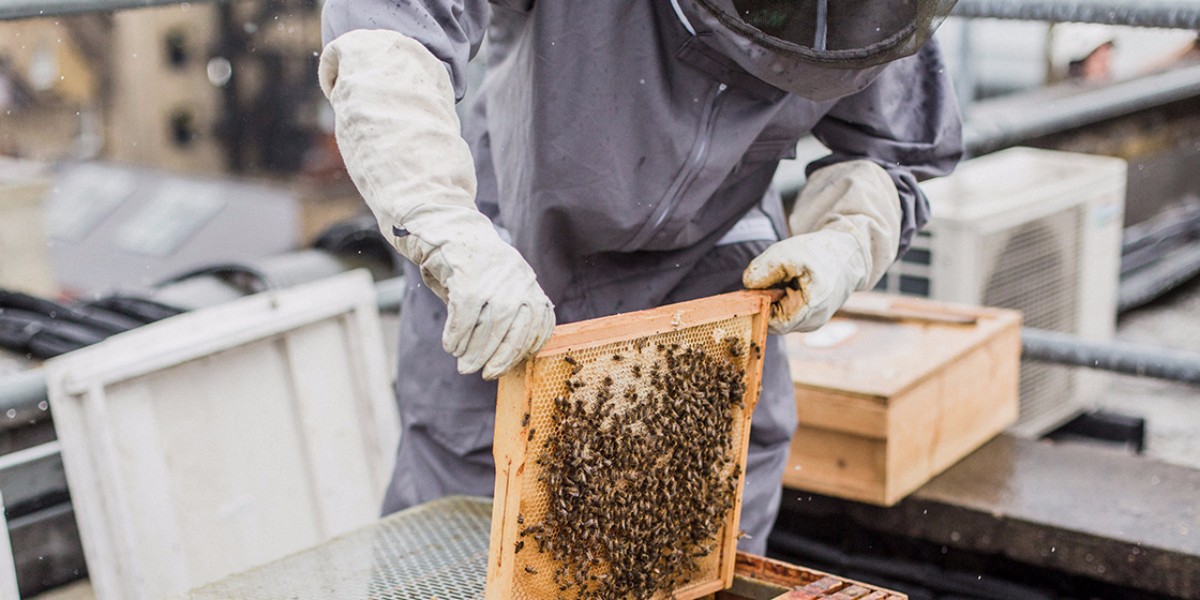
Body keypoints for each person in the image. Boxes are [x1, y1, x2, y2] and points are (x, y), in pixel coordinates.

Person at [318, 1, 962, 555]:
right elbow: (388, 31)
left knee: (701, 546)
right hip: (510, 270)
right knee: (460, 541)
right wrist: (443, 224)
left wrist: (848, 235)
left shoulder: (877, 14)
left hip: (713, 293)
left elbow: (897, 151)